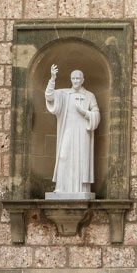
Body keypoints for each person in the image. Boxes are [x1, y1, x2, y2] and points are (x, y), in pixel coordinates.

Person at [45, 64, 100, 197]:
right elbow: (49, 96)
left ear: (82, 80)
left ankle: (82, 189)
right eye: (73, 78)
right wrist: (52, 78)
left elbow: (97, 114)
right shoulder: (64, 94)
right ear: (71, 79)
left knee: (81, 159)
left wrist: (84, 112)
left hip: (83, 132)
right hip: (68, 130)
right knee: (63, 156)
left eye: (78, 78)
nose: (75, 81)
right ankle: (61, 187)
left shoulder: (89, 96)